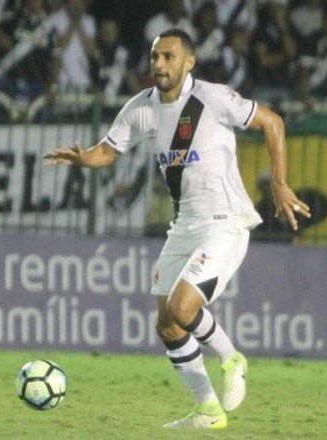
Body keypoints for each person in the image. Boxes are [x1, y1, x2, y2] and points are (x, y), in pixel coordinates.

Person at [42, 28, 311, 430]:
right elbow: (107, 151)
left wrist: (278, 182)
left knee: (183, 309)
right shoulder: (140, 108)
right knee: (167, 324)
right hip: (184, 224)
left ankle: (231, 357)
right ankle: (208, 410)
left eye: (169, 57)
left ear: (189, 62)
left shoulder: (213, 98)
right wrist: (83, 160)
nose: (160, 65)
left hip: (223, 222)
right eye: (155, 57)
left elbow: (273, 122)